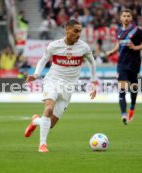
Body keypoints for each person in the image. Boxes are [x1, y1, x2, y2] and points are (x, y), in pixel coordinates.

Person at [24, 20, 97, 153]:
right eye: (76, 31)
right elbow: (43, 59)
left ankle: (35, 121)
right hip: (52, 81)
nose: (79, 34)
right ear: (67, 31)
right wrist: (35, 74)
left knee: (50, 124)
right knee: (49, 108)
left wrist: (94, 82)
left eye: (80, 31)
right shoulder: (54, 46)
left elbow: (92, 63)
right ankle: (42, 145)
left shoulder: (84, 47)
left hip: (68, 88)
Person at [106, 9, 142, 125]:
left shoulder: (137, 31)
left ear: (131, 18)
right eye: (124, 16)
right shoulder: (119, 30)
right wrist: (112, 51)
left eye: (128, 16)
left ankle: (132, 107)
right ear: (120, 18)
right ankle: (123, 115)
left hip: (134, 64)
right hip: (122, 64)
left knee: (133, 89)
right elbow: (119, 44)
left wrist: (135, 48)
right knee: (122, 90)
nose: (126, 18)